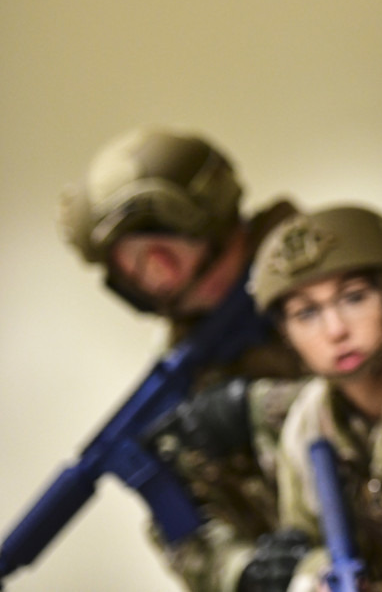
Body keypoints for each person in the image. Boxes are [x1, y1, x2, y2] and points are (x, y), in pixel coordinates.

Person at [55, 126, 307, 592]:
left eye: (160, 247)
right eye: (130, 265)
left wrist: (252, 407)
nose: (154, 274)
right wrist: (242, 571)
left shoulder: (327, 271)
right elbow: (184, 530)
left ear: (203, 216)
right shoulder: (183, 371)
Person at [251, 203, 382, 590]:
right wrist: (314, 577)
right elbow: (308, 542)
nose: (335, 330)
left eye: (354, 298)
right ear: (285, 333)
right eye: (306, 314)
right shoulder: (308, 427)